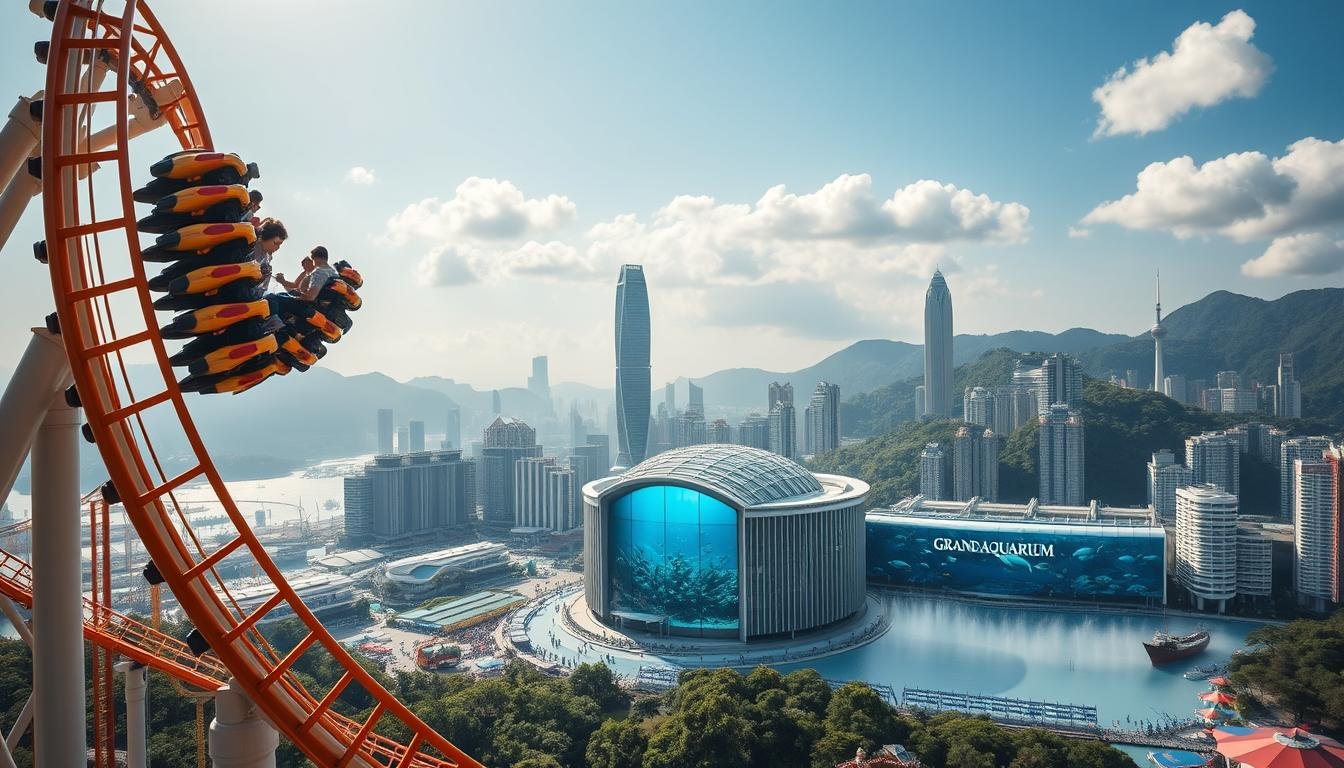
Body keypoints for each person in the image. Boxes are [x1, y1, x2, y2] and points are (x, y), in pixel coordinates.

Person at [251, 218, 287, 293]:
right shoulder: (251, 245)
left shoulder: (266, 258)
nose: (277, 248)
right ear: (266, 237)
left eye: (279, 245)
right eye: (275, 243)